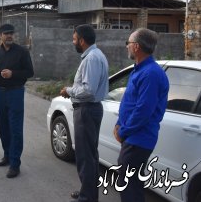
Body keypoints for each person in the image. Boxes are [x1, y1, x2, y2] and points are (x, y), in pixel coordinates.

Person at [114, 28, 169, 202]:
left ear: (136, 46)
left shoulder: (150, 73)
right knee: (131, 183)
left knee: (128, 186)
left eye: (128, 43)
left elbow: (143, 110)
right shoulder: (140, 70)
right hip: (133, 137)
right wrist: (118, 123)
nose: (127, 47)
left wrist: (123, 131)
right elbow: (130, 102)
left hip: (139, 138)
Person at [60, 25, 109, 202]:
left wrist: (69, 90)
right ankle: (87, 193)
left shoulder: (92, 59)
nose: (73, 42)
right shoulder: (95, 56)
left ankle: (87, 197)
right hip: (89, 109)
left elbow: (88, 90)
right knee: (89, 155)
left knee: (85, 156)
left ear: (81, 40)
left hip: (87, 110)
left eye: (74, 39)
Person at [0, 24, 34, 178]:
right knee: (3, 127)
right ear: (0, 35)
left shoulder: (22, 52)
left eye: (11, 33)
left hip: (15, 92)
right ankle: (7, 155)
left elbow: (29, 72)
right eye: (6, 34)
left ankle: (15, 163)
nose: (9, 36)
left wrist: (13, 74)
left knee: (15, 128)